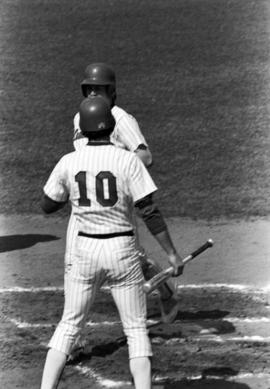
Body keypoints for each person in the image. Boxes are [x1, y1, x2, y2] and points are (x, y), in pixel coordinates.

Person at [40, 96, 184, 389]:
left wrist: (74, 194)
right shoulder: (128, 160)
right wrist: (171, 253)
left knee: (69, 325)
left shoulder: (69, 161)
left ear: (82, 128)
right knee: (134, 330)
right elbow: (149, 211)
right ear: (111, 126)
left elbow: (47, 204)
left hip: (84, 251)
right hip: (122, 252)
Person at [68, 63, 179, 321]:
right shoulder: (79, 117)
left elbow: (145, 156)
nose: (93, 94)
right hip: (86, 204)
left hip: (115, 199)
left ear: (111, 91)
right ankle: (76, 335)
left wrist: (114, 164)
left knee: (130, 255)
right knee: (77, 259)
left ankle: (165, 289)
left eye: (98, 89)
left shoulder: (121, 118)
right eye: (89, 89)